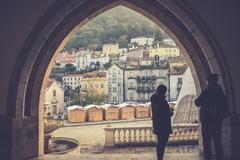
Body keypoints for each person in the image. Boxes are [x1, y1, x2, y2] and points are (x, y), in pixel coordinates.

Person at [195, 73, 228, 160]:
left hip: (207, 121)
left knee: (207, 143)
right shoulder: (219, 91)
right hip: (217, 120)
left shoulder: (207, 91)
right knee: (217, 142)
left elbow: (197, 102)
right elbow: (225, 105)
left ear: (208, 81)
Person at [151, 84, 173, 160]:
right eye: (164, 91)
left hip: (158, 124)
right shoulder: (160, 100)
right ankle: (160, 158)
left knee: (160, 143)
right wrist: (170, 112)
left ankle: (159, 158)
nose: (165, 93)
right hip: (163, 125)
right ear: (162, 91)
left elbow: (157, 112)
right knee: (162, 143)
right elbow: (162, 112)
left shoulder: (155, 99)